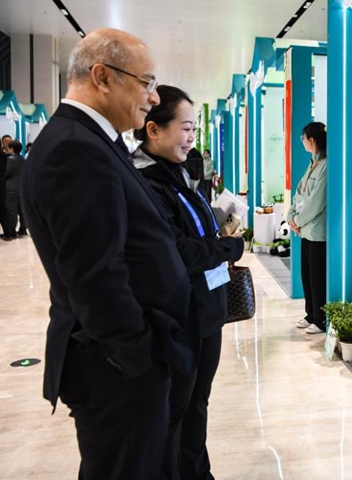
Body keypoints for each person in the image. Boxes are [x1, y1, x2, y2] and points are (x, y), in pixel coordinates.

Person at [20, 28, 195, 480]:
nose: (154, 98)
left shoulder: (95, 141)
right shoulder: (75, 149)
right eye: (147, 82)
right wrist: (139, 358)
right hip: (116, 371)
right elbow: (94, 275)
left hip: (122, 366)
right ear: (102, 76)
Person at [132, 84, 244, 480]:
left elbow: (197, 235)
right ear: (153, 130)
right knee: (175, 408)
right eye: (186, 129)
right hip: (180, 315)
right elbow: (176, 251)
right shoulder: (146, 183)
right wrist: (228, 249)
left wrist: (218, 235)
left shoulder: (178, 175)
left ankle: (197, 472)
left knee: (198, 401)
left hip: (206, 310)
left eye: (194, 130)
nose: (191, 139)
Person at [286, 122, 328, 334]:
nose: (301, 141)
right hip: (304, 231)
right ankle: (310, 313)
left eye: (303, 137)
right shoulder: (312, 164)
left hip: (316, 232)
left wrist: (298, 222)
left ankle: (320, 319)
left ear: (311, 140)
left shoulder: (325, 166)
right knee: (307, 275)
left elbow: (316, 202)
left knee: (318, 276)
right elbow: (299, 194)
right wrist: (290, 217)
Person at [4, 140, 24, 237]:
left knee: (11, 211)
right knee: (22, 211)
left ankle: (12, 232)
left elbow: (6, 173)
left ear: (11, 148)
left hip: (10, 189)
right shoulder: (23, 159)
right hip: (21, 189)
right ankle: (23, 230)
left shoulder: (10, 159)